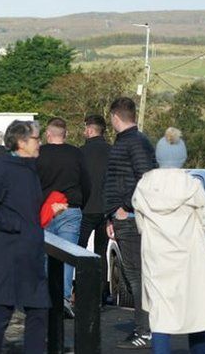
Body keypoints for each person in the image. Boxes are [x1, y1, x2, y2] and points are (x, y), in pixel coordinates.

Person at [132, 167, 205, 354]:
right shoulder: (192, 185)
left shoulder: (143, 186)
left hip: (157, 257)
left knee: (161, 316)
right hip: (189, 257)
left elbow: (140, 224)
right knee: (196, 311)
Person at [0, 120, 53, 354]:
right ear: (21, 142)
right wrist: (18, 224)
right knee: (2, 311)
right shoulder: (4, 168)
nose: (39, 143)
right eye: (36, 139)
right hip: (7, 254)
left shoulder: (31, 168)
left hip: (30, 253)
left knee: (39, 310)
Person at [104, 97, 158, 349]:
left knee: (137, 277)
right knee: (135, 276)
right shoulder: (134, 141)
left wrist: (124, 207)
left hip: (132, 218)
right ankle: (144, 328)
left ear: (115, 116)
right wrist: (111, 216)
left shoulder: (134, 142)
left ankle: (144, 330)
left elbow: (145, 177)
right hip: (124, 217)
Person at [36, 117, 89, 312]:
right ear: (65, 134)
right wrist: (80, 203)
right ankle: (64, 299)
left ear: (47, 134)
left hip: (43, 210)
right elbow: (86, 182)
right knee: (67, 256)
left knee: (44, 257)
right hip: (70, 208)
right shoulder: (76, 154)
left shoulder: (38, 154)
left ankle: (45, 298)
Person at [78, 114, 112, 305]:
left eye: (85, 129)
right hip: (106, 210)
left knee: (78, 251)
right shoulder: (112, 151)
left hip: (85, 208)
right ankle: (99, 294)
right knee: (101, 252)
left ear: (90, 130)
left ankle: (81, 292)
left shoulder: (81, 152)